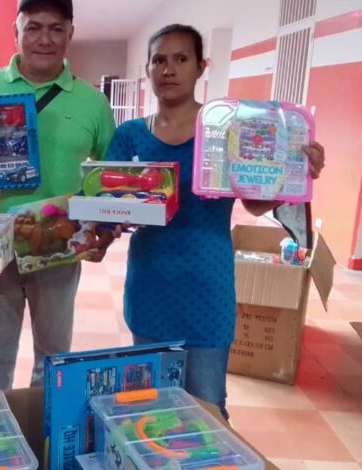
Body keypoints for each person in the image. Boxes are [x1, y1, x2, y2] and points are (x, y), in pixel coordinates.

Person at [105, 24, 325, 419]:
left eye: (180, 59)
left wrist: (299, 173)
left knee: (206, 408)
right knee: (149, 410)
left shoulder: (227, 133)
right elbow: (111, 205)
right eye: (159, 60)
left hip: (208, 286)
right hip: (150, 286)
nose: (168, 70)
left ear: (201, 67)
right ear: (148, 69)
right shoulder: (130, 136)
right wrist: (111, 218)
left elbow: (257, 205)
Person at [0, 0, 117, 390]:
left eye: (55, 28)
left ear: (70, 34)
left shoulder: (93, 103)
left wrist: (105, 227)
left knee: (53, 357)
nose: (44, 39)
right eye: (33, 28)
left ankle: (41, 433)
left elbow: (112, 178)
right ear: (14, 32)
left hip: (59, 248)